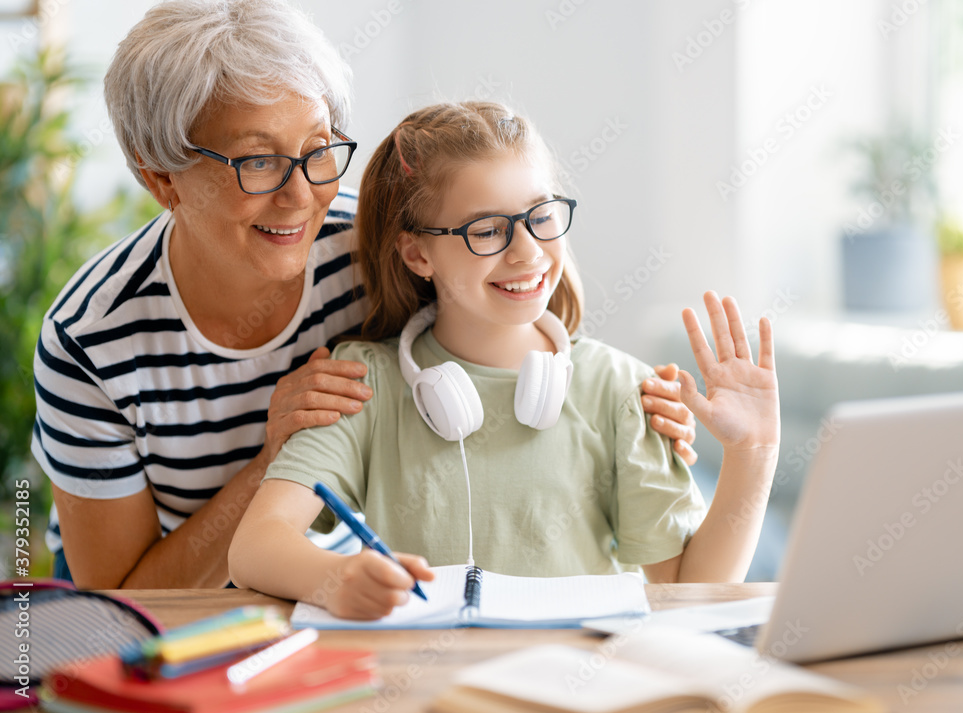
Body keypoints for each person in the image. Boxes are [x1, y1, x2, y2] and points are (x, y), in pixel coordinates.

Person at [30, 0, 696, 590]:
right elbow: (122, 597)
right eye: (258, 161)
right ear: (162, 179)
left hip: (344, 599)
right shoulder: (88, 341)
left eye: (319, 148)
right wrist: (271, 459)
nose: (301, 196)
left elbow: (516, 302)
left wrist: (636, 412)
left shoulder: (374, 244)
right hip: (179, 609)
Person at [229, 102, 780, 621]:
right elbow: (254, 547)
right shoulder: (363, 384)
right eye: (487, 230)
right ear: (418, 253)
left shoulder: (621, 391)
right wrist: (334, 577)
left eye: (540, 215)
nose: (527, 252)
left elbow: (691, 591)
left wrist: (752, 453)